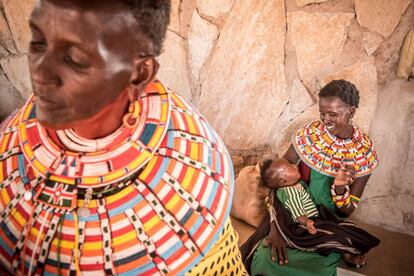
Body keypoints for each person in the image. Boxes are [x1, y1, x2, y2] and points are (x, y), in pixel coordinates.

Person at [0, 1, 247, 275]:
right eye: (41, 43)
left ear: (139, 73)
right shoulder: (13, 160)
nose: (42, 73)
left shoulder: (187, 169)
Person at [241, 79, 379, 275]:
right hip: (291, 214)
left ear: (351, 111)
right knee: (266, 256)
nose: (326, 120)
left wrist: (340, 188)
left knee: (321, 265)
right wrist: (275, 228)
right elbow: (277, 183)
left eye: (333, 114)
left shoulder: (363, 154)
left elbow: (346, 211)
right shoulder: (309, 137)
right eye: (322, 113)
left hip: (327, 221)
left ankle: (337, 250)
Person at [259, 158, 379, 268]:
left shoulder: (296, 185)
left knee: (343, 228)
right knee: (332, 235)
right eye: (290, 167)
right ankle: (347, 254)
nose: (295, 165)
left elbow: (347, 209)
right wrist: (306, 222)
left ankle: (347, 249)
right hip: (306, 224)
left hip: (317, 217)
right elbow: (297, 212)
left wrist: (340, 188)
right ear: (283, 180)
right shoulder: (289, 191)